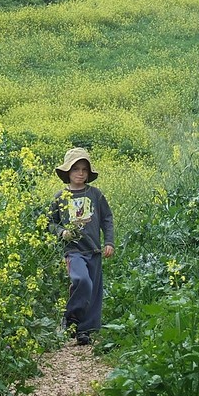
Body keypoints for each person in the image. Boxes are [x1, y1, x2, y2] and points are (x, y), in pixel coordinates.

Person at [49, 147, 115, 346]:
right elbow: (50, 222)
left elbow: (107, 219)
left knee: (94, 292)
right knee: (82, 281)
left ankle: (83, 331)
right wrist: (62, 232)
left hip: (93, 250)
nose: (80, 173)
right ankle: (71, 317)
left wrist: (109, 242)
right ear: (67, 172)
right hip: (73, 251)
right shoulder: (60, 197)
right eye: (76, 169)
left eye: (84, 169)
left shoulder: (95, 194)